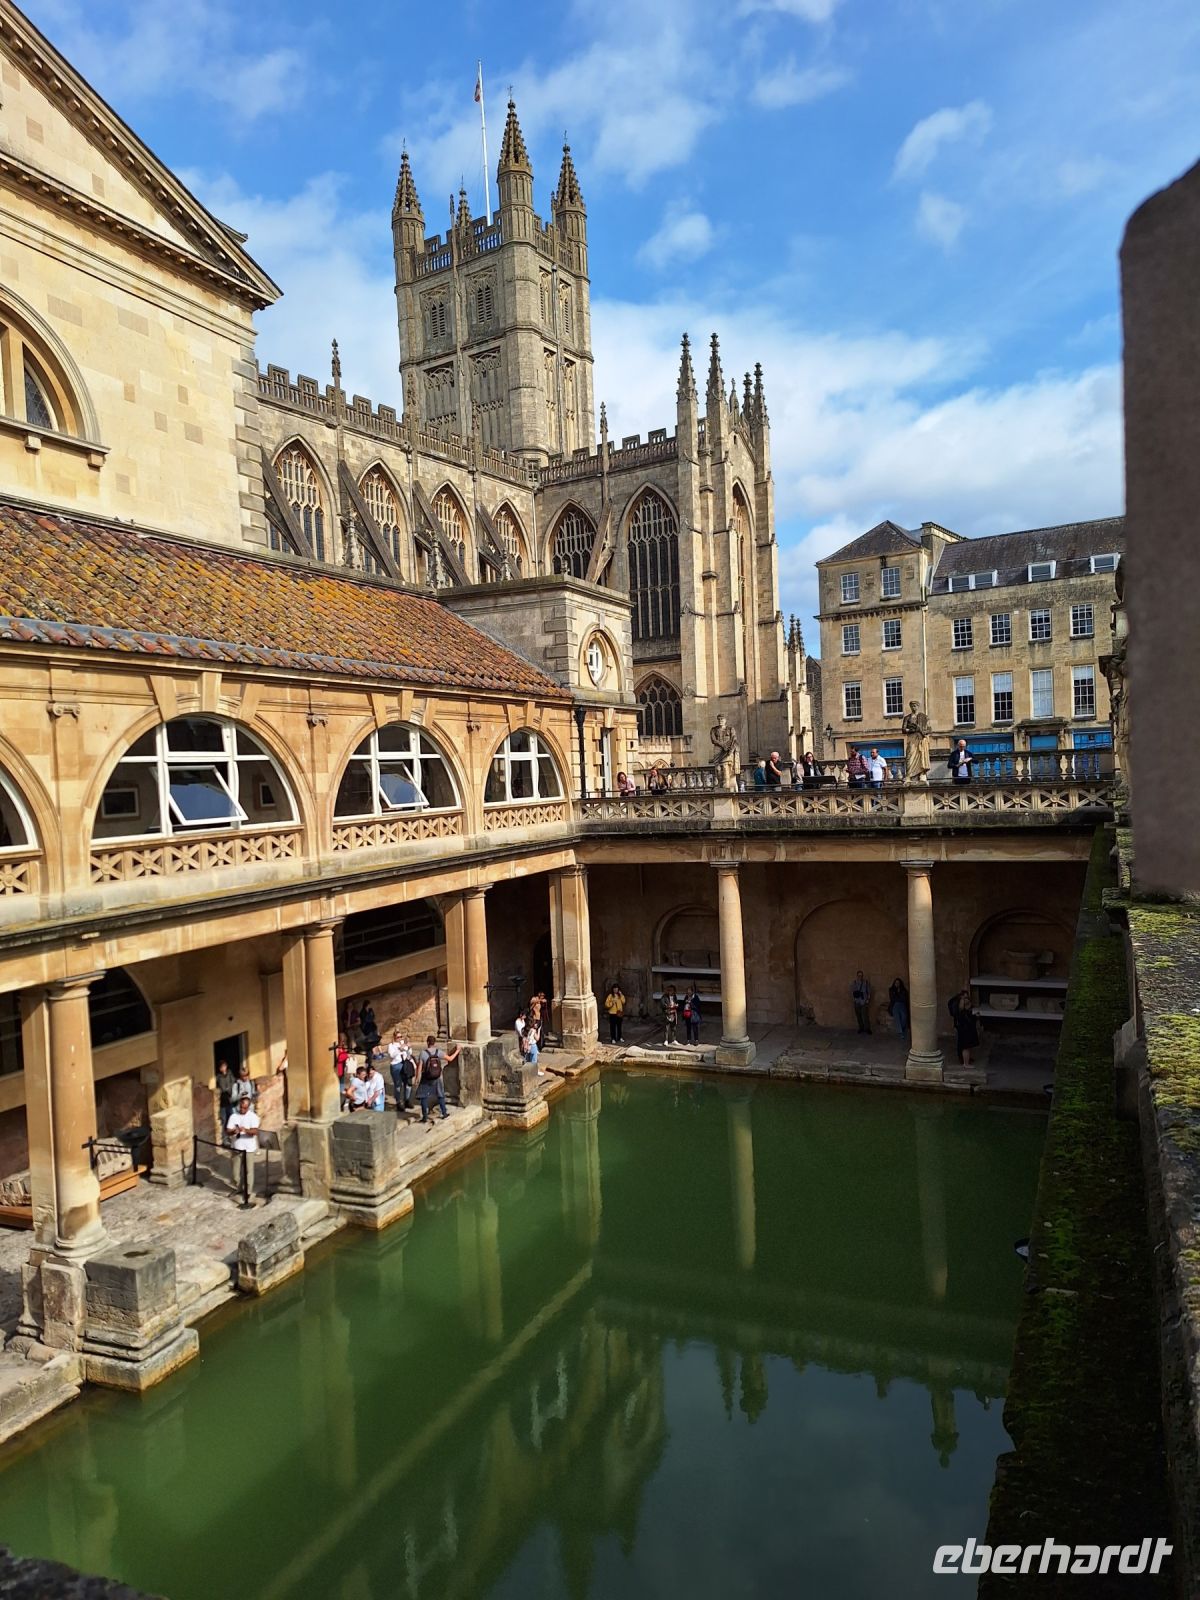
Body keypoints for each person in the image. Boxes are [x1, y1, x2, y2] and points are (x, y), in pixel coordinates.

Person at [416, 1035, 459, 1124]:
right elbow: (450, 1059)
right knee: (440, 1095)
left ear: (427, 1042)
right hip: (436, 1077)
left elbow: (419, 1067)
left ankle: (425, 1117)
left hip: (426, 1077)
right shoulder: (438, 1052)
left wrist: (417, 1078)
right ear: (434, 1043)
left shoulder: (423, 1053)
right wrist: (457, 1050)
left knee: (423, 1097)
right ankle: (444, 1113)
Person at [226, 1093, 260, 1199]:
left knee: (249, 1171)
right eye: (241, 1107)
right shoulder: (233, 1116)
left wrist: (245, 1130)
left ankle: (248, 1191)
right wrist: (234, 1131)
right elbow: (228, 1131)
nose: (242, 1109)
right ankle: (238, 1188)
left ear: (248, 1107)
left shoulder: (253, 1117)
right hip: (236, 1147)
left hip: (248, 1148)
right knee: (235, 1172)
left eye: (244, 1107)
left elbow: (255, 1131)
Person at [902, 701, 932, 783]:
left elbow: (929, 729)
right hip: (912, 738)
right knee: (910, 755)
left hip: (921, 739)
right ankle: (909, 775)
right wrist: (911, 729)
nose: (913, 707)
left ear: (918, 706)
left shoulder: (924, 717)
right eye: (912, 706)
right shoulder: (907, 718)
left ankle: (921, 774)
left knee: (921, 755)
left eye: (915, 706)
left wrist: (921, 730)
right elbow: (903, 729)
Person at [949, 988, 979, 1066]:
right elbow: (965, 1019)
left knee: (965, 1047)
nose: (967, 1000)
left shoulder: (963, 1009)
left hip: (965, 1029)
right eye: (965, 998)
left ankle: (966, 1060)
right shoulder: (960, 1010)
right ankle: (965, 1063)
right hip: (964, 1030)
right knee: (965, 1047)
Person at [215, 1059, 234, 1143]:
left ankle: (231, 1136)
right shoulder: (219, 1077)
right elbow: (221, 1087)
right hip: (223, 1101)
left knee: (231, 1118)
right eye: (222, 1067)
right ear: (220, 1068)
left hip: (229, 1100)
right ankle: (225, 1139)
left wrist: (229, 1089)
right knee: (224, 1120)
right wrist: (226, 1089)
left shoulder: (229, 1073)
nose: (224, 1068)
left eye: (224, 1066)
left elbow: (232, 1082)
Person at [359, 998, 380, 1063]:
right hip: (367, 1028)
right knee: (370, 1042)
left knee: (375, 1040)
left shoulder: (370, 1010)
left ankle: (375, 1054)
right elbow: (366, 1019)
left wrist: (370, 1016)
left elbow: (373, 1017)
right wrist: (369, 1016)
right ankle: (370, 1056)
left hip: (372, 1026)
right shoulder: (362, 1011)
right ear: (366, 1005)